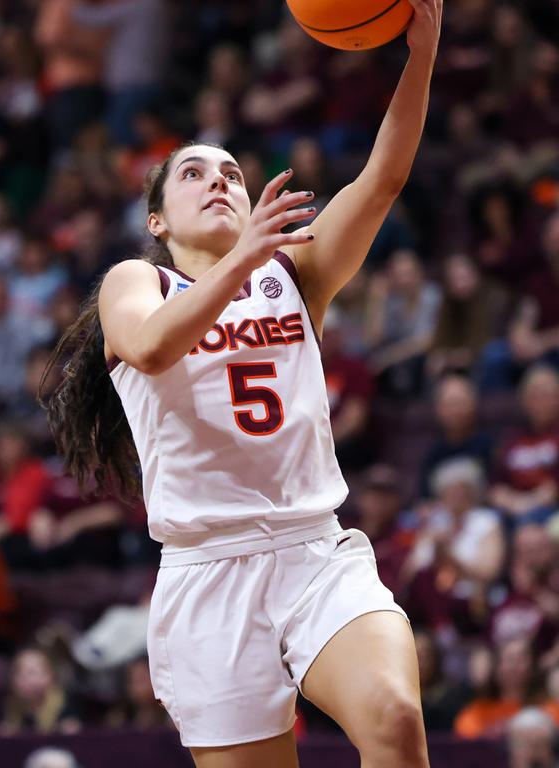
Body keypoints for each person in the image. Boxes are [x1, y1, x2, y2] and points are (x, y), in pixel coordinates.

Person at [41, 0, 441, 764]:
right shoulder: (135, 283)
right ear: (157, 220)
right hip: (207, 574)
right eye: (192, 173)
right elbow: (152, 350)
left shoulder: (294, 269)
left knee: (393, 718)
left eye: (230, 171)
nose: (218, 181)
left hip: (314, 549)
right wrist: (239, 261)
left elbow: (384, 179)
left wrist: (420, 54)